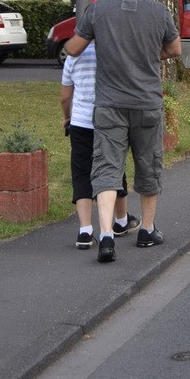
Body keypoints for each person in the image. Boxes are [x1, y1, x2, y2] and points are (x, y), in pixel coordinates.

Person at [64, 0, 182, 264]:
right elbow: (175, 49)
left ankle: (105, 235)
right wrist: (147, 53)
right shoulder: (158, 11)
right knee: (149, 164)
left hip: (109, 105)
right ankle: (147, 229)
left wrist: (104, 43)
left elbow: (72, 49)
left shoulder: (98, 9)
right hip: (147, 103)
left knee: (106, 167)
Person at [60, 43, 138, 249]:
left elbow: (65, 96)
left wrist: (67, 117)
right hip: (108, 121)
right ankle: (121, 220)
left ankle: (85, 230)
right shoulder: (112, 52)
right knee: (113, 168)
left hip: (80, 122)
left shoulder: (73, 56)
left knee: (81, 172)